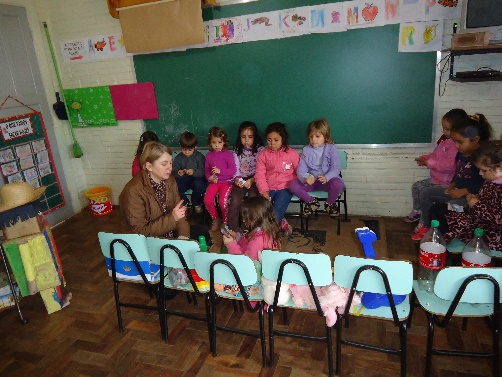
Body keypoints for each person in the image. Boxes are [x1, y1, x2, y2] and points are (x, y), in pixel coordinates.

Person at [411, 113, 493, 240]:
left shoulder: (482, 159)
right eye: (455, 141)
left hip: (471, 198)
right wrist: (453, 184)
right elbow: (458, 172)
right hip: (457, 191)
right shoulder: (461, 153)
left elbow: (483, 184)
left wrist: (464, 191)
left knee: (445, 207)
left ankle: (446, 235)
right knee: (426, 192)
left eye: (460, 142)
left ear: (476, 139)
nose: (456, 146)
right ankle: (426, 225)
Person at [404, 109, 468, 223]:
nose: (445, 131)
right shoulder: (444, 142)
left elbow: (450, 165)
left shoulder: (457, 146)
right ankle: (417, 211)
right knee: (417, 186)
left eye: (448, 129)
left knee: (426, 195)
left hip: (446, 183)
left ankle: (425, 222)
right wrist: (426, 159)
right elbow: (435, 155)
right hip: (435, 179)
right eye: (444, 128)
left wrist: (429, 163)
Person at [438, 140, 502, 251]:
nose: (480, 174)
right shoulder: (491, 180)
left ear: (500, 168)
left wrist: (476, 204)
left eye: (484, 170)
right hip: (480, 221)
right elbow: (486, 201)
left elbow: (498, 218)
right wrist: (474, 198)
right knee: (439, 211)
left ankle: (450, 258)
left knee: (448, 224)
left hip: (493, 234)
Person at [120, 141, 191, 238]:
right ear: (149, 166)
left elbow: (179, 213)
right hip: (148, 242)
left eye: (170, 163)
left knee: (203, 233)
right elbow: (139, 232)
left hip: (169, 231)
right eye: (164, 164)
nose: (170, 168)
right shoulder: (132, 191)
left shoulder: (170, 180)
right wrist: (173, 218)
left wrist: (183, 237)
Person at [290, 118, 344, 218]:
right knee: (293, 184)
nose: (313, 139)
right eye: (311, 136)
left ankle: (330, 203)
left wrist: (327, 177)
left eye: (317, 136)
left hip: (327, 181)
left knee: (338, 183)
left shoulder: (332, 148)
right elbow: (301, 171)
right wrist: (305, 179)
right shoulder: (306, 150)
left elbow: (336, 168)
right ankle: (312, 202)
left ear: (325, 136)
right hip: (312, 182)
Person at [255, 122, 300, 236]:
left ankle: (269, 235)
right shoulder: (263, 155)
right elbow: (259, 174)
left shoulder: (292, 154)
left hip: (286, 188)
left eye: (276, 140)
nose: (272, 143)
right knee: (263, 209)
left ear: (283, 139)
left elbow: (299, 171)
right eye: (269, 140)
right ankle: (282, 224)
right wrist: (264, 191)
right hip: (268, 187)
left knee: (277, 209)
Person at [227, 121, 265, 231]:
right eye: (243, 137)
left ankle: (252, 227)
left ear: (255, 137)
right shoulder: (237, 150)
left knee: (252, 199)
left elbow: (261, 169)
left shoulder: (260, 150)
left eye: (250, 137)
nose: (246, 140)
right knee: (235, 201)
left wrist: (252, 180)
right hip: (241, 178)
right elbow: (235, 167)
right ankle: (232, 229)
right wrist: (237, 178)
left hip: (255, 178)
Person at [223, 196, 282, 262]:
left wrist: (231, 245)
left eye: (245, 217)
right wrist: (238, 238)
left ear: (254, 218)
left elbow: (245, 263)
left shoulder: (257, 241)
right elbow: (248, 246)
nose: (243, 220)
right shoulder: (266, 230)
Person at [204, 127, 237, 231]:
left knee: (222, 202)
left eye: (219, 142)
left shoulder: (228, 155)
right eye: (214, 142)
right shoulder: (209, 156)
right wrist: (210, 177)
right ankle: (216, 218)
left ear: (224, 142)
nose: (217, 145)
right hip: (215, 182)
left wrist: (220, 171)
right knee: (207, 200)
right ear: (210, 142)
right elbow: (207, 170)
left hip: (226, 182)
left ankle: (225, 221)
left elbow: (233, 170)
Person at [173, 131, 207, 214]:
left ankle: (196, 202)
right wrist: (178, 173)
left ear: (195, 147)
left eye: (190, 150)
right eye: (184, 149)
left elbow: (203, 171)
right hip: (185, 179)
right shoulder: (179, 157)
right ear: (181, 147)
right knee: (174, 186)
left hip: (197, 178)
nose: (187, 152)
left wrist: (194, 172)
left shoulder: (199, 156)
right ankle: (185, 202)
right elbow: (173, 172)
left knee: (199, 185)